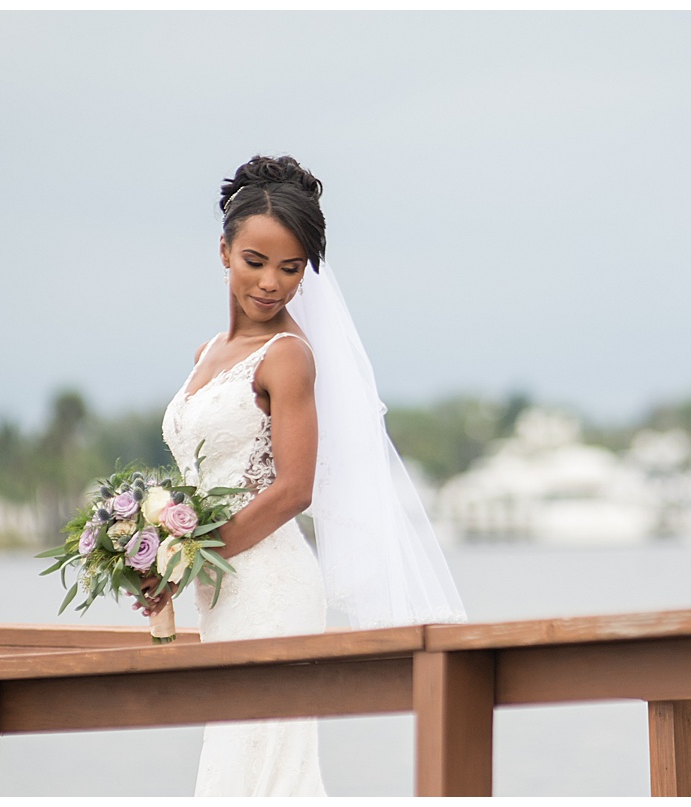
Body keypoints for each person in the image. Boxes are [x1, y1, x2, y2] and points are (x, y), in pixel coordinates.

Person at [148, 155, 466, 796]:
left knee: (258, 772)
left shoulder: (289, 357)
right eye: (255, 262)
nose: (271, 283)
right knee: (237, 768)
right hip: (222, 592)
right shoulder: (207, 354)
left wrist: (184, 559)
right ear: (224, 251)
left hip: (270, 587)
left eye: (291, 269)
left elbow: (295, 489)